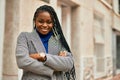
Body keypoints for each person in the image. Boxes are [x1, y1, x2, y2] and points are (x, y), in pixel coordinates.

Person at [16, 5, 76, 80]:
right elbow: (22, 61)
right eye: (41, 21)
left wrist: (44, 57)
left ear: (53, 23)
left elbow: (69, 63)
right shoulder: (25, 37)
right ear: (35, 20)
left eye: (49, 22)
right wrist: (52, 69)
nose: (45, 25)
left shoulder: (58, 41)